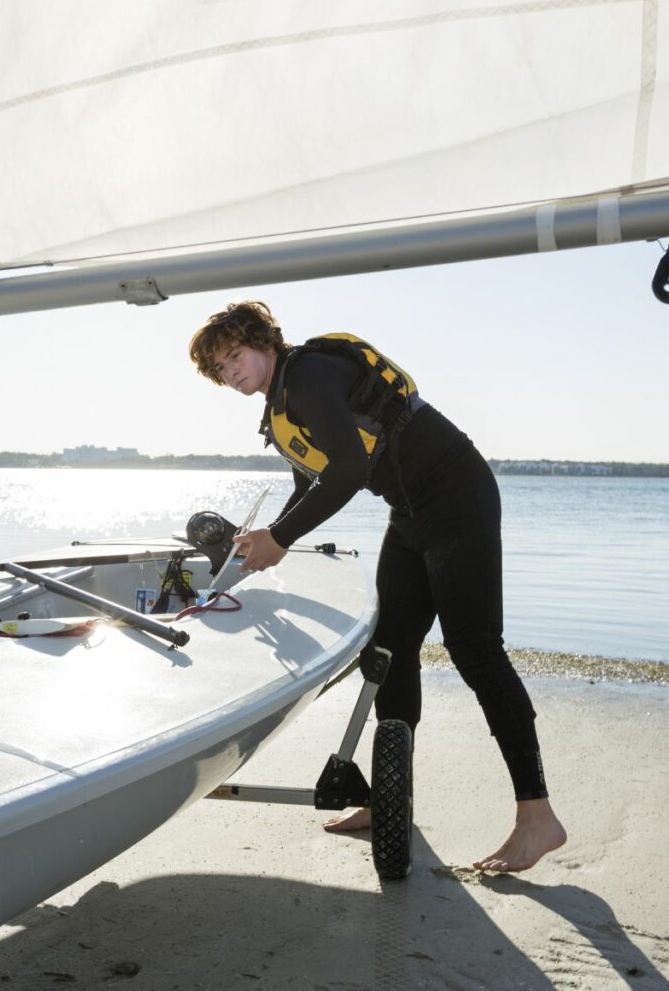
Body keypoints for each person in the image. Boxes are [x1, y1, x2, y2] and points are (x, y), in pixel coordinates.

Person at [188, 300, 566, 873]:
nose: (230, 372)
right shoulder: (282, 404)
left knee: (476, 652)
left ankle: (537, 816)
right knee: (388, 651)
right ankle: (386, 800)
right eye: (219, 369)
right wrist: (257, 544)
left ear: (265, 342)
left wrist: (282, 538)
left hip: (455, 495)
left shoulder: (309, 376)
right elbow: (310, 485)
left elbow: (348, 471)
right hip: (410, 511)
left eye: (235, 355)